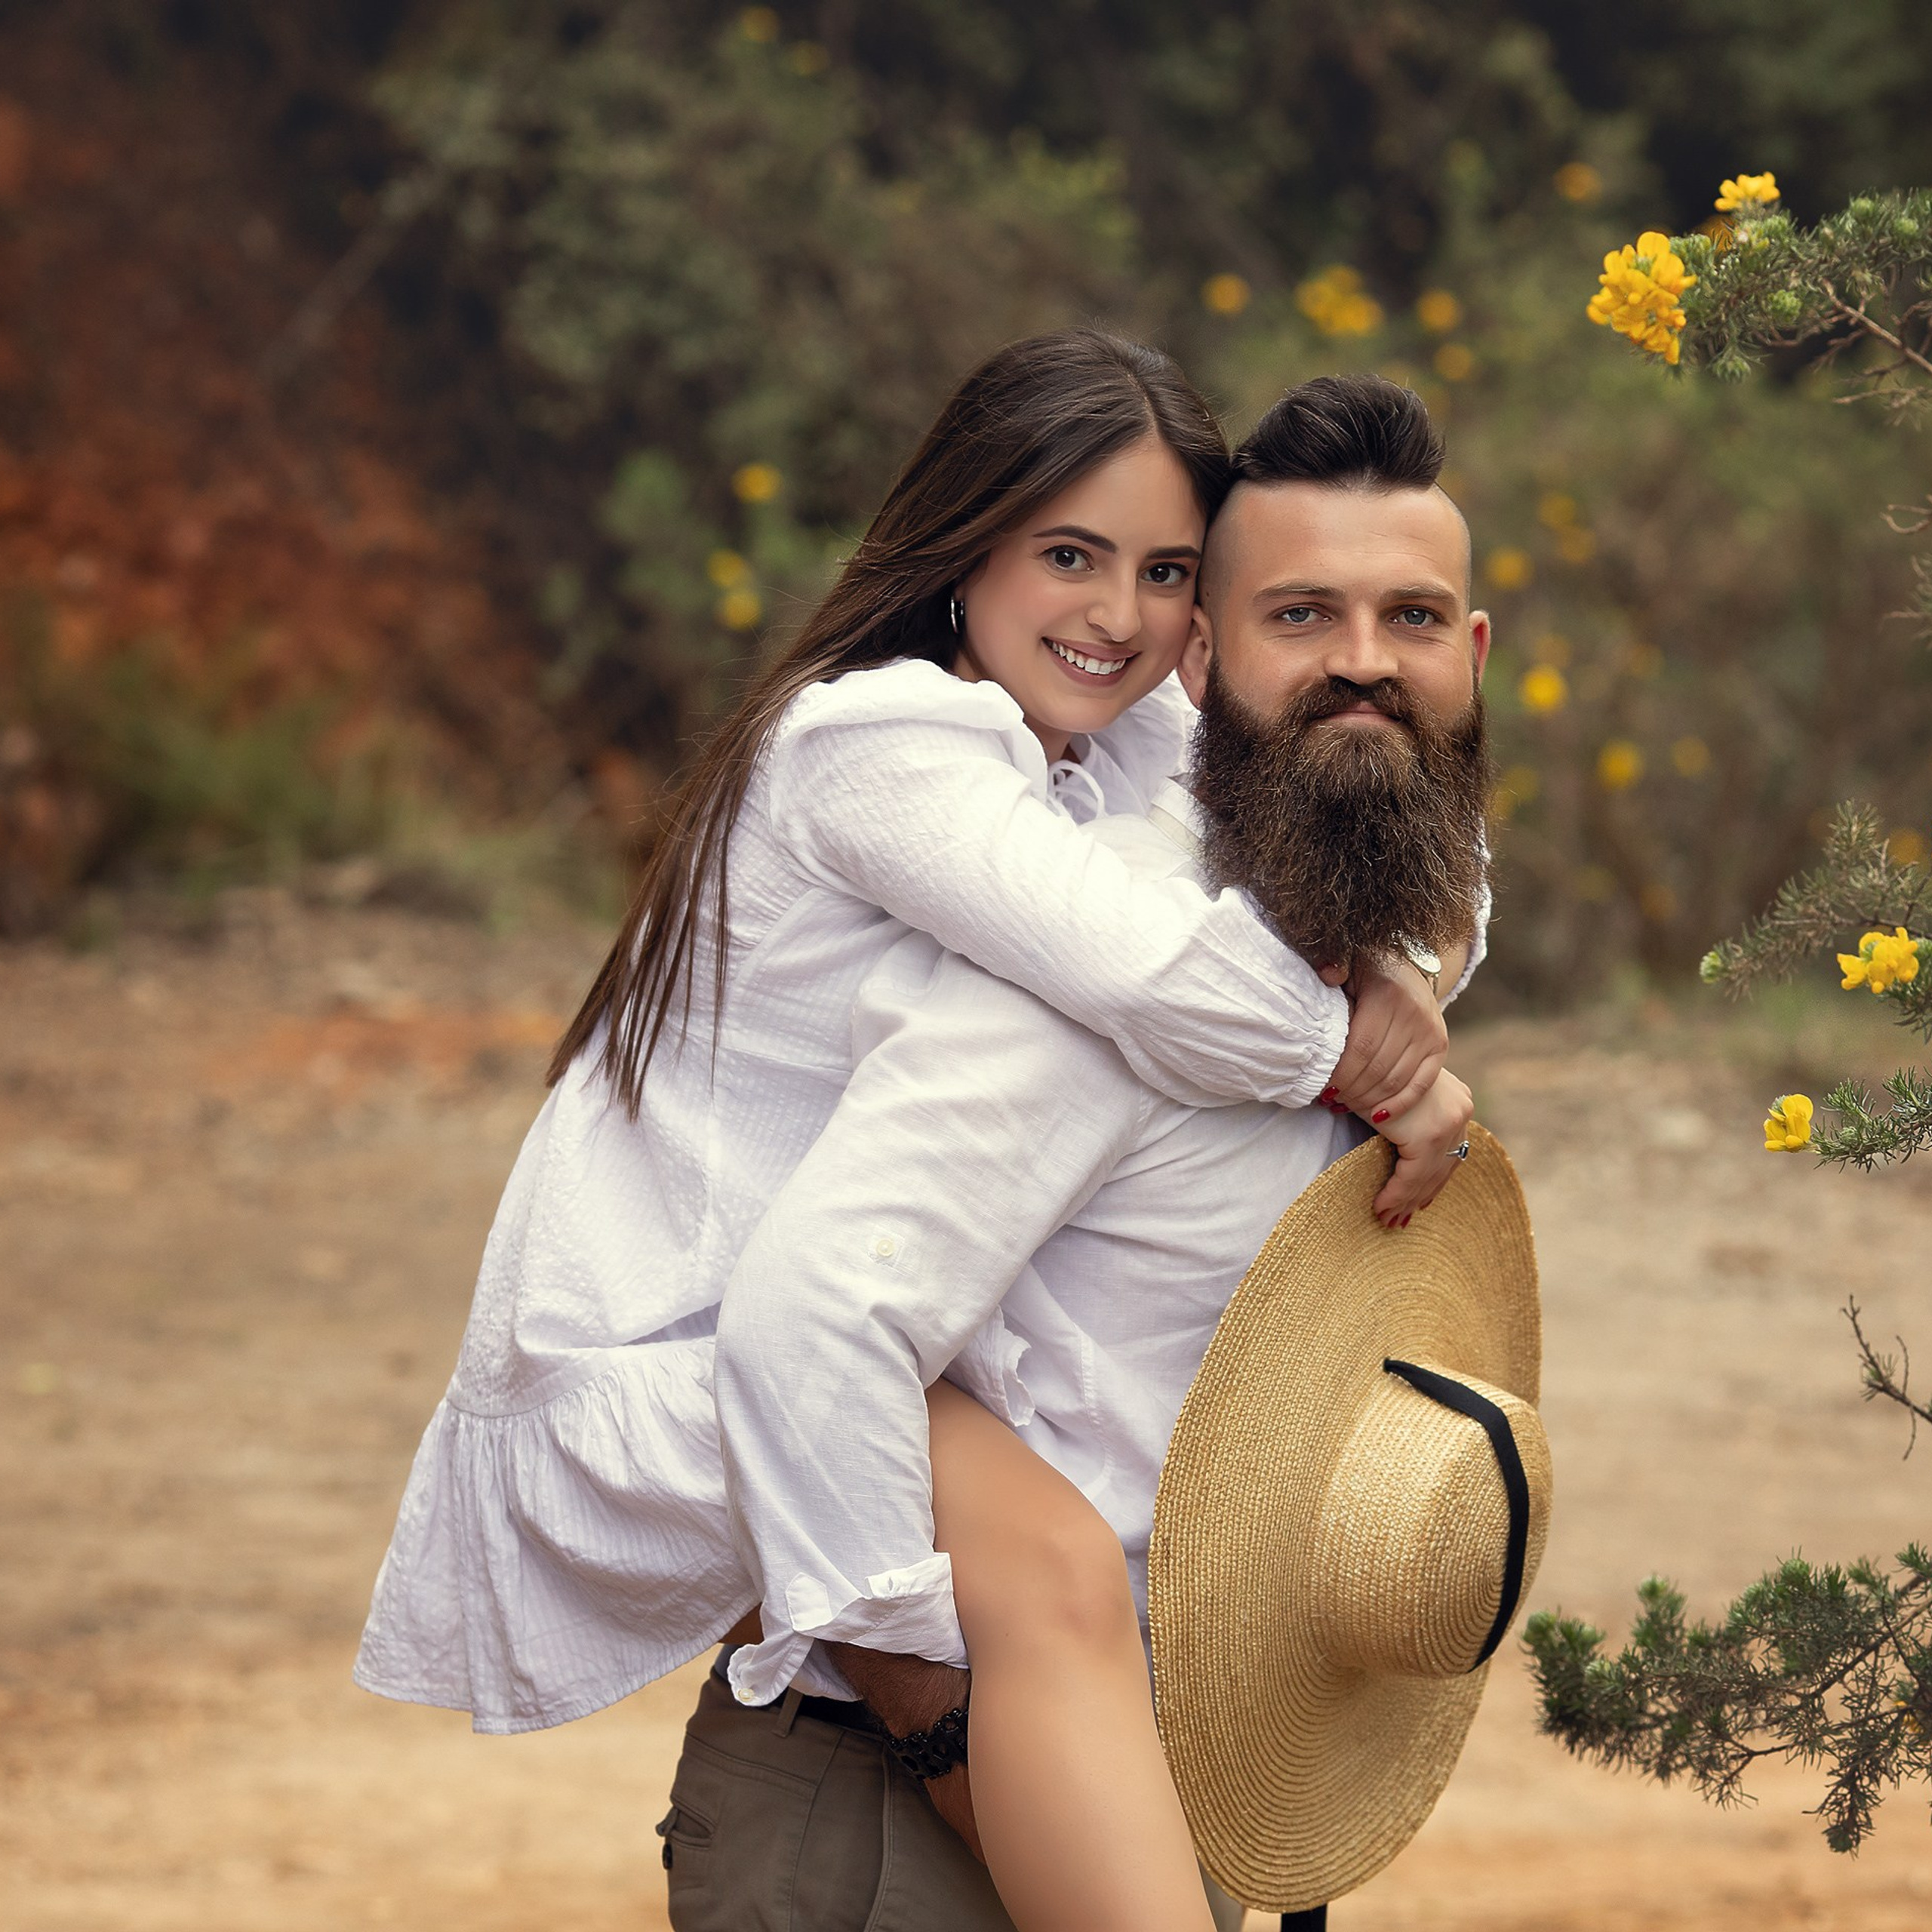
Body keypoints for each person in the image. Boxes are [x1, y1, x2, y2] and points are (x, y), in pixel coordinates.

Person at [353, 333, 1469, 1758]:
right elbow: (1164, 982)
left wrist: (1401, 962)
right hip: (688, 1352)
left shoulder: (1109, 727)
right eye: (1069, 556)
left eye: (1166, 572)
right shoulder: (877, 741)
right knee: (1041, 1600)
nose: (1118, 616)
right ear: (967, 543)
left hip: (849, 1319)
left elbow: (1384, 812)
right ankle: (941, 1752)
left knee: (1059, 1584)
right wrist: (1372, 1055)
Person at [690, 372, 1491, 1932]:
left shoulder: (1346, 918)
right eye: (1299, 616)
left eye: (1408, 620)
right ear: (1201, 663)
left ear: (1470, 657)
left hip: (1168, 1774)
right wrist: (942, 1732)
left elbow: (1436, 859)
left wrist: (1398, 998)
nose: (1360, 662)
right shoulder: (1091, 964)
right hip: (920, 1816)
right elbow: (809, 1319)